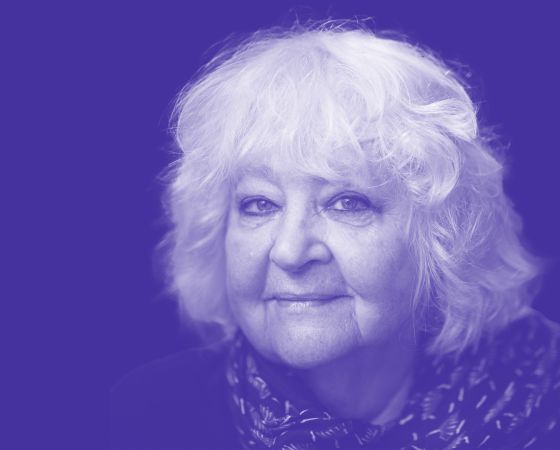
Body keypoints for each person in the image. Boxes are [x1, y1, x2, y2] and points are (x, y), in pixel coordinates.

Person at [110, 23, 560, 450]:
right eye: (260, 204)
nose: (290, 251)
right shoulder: (150, 414)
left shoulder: (546, 393)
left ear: (444, 240)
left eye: (347, 203)